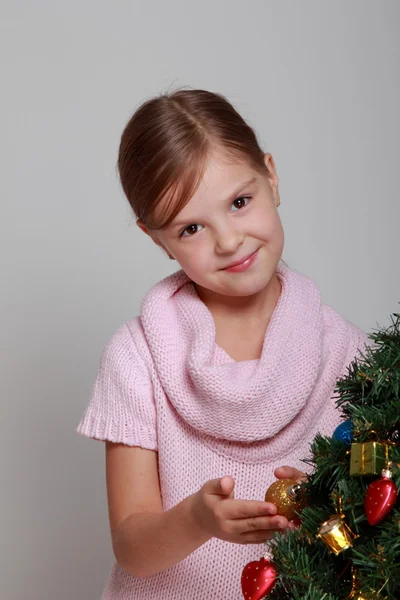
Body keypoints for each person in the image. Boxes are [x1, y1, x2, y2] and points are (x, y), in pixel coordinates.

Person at [76, 88, 368, 599]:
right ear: (156, 238)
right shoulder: (137, 358)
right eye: (191, 228)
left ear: (271, 176)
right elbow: (132, 548)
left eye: (239, 202)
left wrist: (327, 503)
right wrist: (195, 519)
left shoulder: (350, 354)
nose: (229, 241)